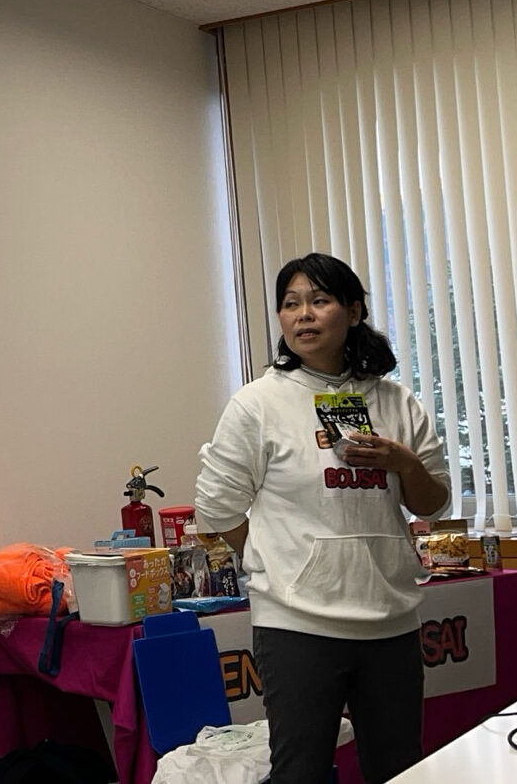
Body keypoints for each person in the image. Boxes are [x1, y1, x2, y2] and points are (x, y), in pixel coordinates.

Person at [194, 252, 451, 784]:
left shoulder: (395, 401)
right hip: (297, 624)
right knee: (300, 772)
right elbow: (216, 508)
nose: (303, 315)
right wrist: (273, 562)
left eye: (319, 300)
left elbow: (434, 503)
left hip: (390, 618)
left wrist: (403, 463)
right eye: (290, 304)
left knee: (399, 769)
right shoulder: (258, 403)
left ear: (353, 312)